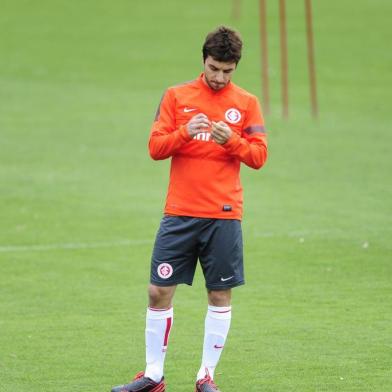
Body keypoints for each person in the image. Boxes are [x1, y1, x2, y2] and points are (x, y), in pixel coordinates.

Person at [111, 25, 267, 392]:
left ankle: (205, 376)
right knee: (157, 291)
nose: (219, 77)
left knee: (219, 295)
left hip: (224, 215)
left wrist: (232, 141)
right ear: (204, 60)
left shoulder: (246, 103)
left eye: (227, 71)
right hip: (179, 213)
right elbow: (155, 147)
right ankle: (153, 375)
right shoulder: (176, 96)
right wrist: (183, 132)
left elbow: (259, 155)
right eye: (214, 68)